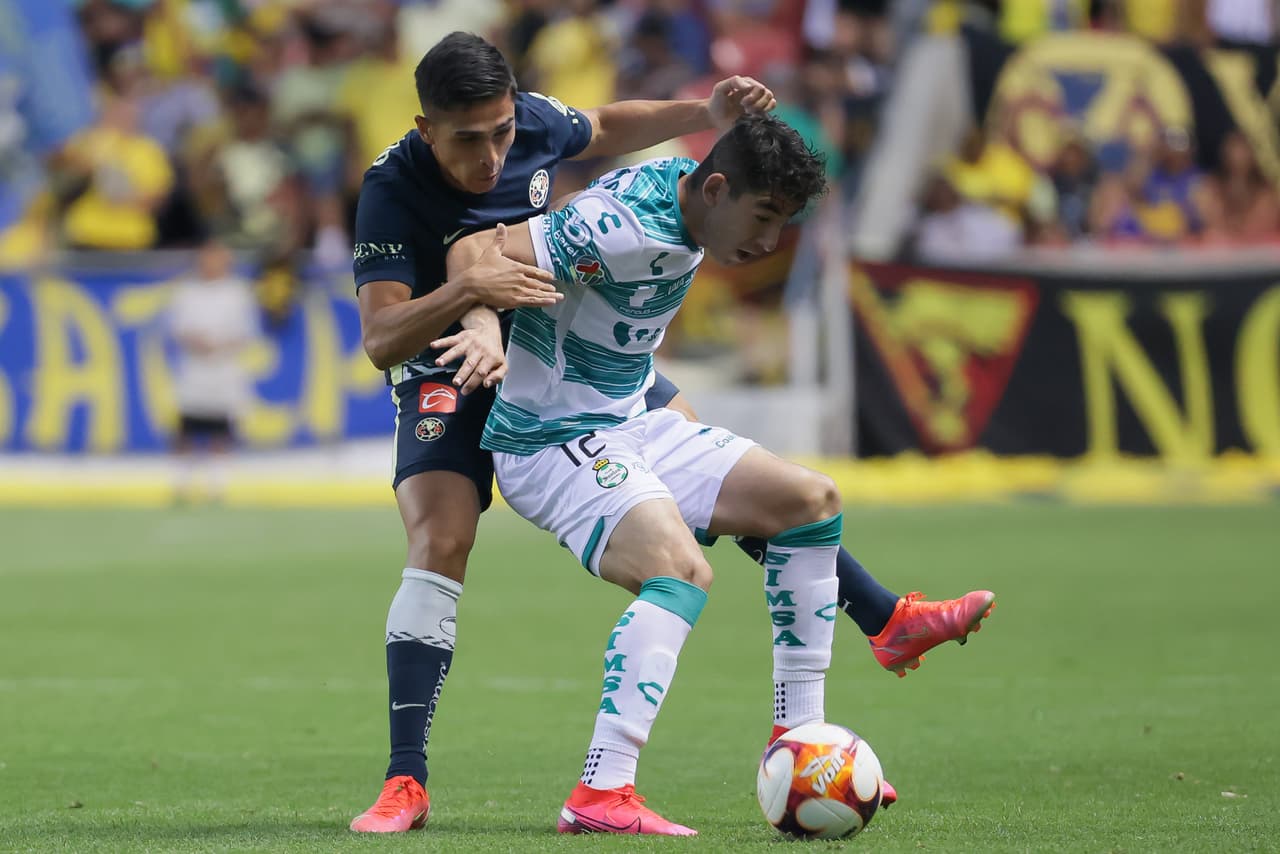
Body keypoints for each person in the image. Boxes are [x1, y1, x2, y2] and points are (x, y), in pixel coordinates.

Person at [351, 31, 992, 833]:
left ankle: (818, 719)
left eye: (503, 134)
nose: (491, 157)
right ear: (426, 129)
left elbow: (612, 124)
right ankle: (416, 780)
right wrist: (478, 316)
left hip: (584, 366)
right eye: (468, 140)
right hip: (450, 348)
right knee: (446, 538)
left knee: (796, 496)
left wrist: (705, 108)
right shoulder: (397, 189)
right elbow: (407, 314)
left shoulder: (561, 135)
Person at [167, 238, 259, 502]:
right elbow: (178, 329)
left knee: (221, 429)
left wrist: (220, 345)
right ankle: (181, 485)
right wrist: (198, 342)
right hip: (194, 371)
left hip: (225, 371)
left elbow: (246, 333)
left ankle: (217, 487)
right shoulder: (186, 292)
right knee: (185, 428)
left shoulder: (238, 293)